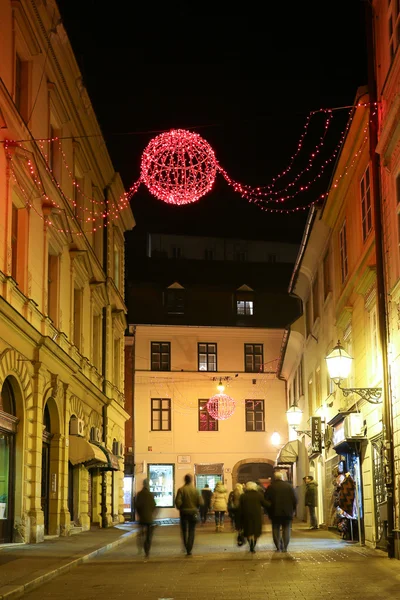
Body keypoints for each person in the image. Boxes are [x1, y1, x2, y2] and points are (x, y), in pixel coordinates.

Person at [265, 471, 297, 553]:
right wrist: (293, 510)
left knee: (276, 529)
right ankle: (285, 547)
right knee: (286, 529)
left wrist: (268, 511)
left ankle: (278, 547)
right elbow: (295, 500)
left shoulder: (271, 487)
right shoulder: (289, 487)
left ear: (275, 478)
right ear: (282, 478)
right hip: (287, 512)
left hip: (274, 512)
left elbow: (266, 500)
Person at [175, 474, 203, 556]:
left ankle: (185, 545)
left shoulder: (181, 490)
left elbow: (178, 502)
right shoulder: (196, 490)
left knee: (184, 530)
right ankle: (189, 548)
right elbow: (200, 502)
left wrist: (181, 508)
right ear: (191, 480)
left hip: (184, 513)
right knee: (192, 530)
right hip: (193, 512)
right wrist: (196, 508)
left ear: (185, 480)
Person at [239, 481, 268, 553]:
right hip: (256, 516)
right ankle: (253, 545)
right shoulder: (259, 495)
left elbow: (240, 507)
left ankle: (250, 544)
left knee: (248, 531)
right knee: (256, 532)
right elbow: (266, 504)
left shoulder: (243, 496)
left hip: (246, 515)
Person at [135, 478, 157, 557]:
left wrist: (139, 513)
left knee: (141, 533)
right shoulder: (150, 494)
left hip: (142, 518)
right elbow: (154, 505)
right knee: (149, 535)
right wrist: (151, 513)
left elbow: (137, 505)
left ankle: (140, 546)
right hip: (149, 518)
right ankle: (147, 549)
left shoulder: (139, 494)